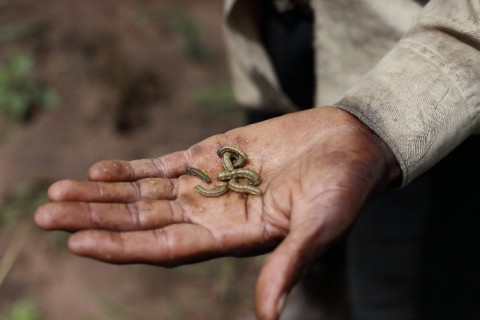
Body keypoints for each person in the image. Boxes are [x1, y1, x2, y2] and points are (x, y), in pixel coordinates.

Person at [35, 1, 480, 319]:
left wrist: (383, 122)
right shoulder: (239, 155)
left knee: (394, 294)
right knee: (309, 256)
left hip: (421, 103)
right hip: (272, 48)